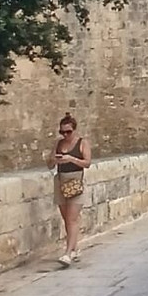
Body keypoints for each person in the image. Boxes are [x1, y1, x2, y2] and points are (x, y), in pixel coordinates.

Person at [46, 113, 91, 267]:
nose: (65, 135)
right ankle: (75, 248)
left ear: (74, 130)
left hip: (76, 181)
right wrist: (54, 159)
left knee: (72, 219)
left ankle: (67, 253)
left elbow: (87, 163)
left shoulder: (82, 143)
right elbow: (49, 165)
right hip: (61, 181)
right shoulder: (58, 144)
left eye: (68, 132)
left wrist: (71, 159)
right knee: (66, 218)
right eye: (62, 132)